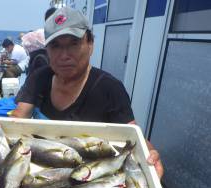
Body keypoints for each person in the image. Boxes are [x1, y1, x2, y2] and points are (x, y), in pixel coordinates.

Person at [12, 7, 163, 178]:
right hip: (40, 170)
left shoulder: (110, 88)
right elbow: (19, 117)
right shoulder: (39, 77)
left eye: (74, 44)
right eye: (55, 46)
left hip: (88, 175)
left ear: (90, 44)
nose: (64, 55)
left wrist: (150, 153)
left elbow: (132, 135)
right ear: (47, 49)